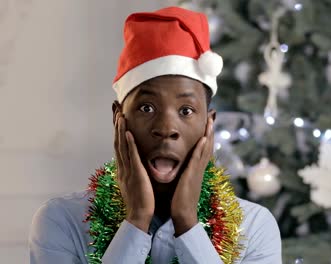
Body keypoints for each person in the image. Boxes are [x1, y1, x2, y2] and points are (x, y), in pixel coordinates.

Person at [28, 6, 282, 264]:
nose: (167, 128)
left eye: (186, 110)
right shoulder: (61, 221)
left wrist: (187, 221)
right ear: (119, 119)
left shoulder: (254, 227)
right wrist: (137, 219)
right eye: (147, 107)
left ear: (209, 124)